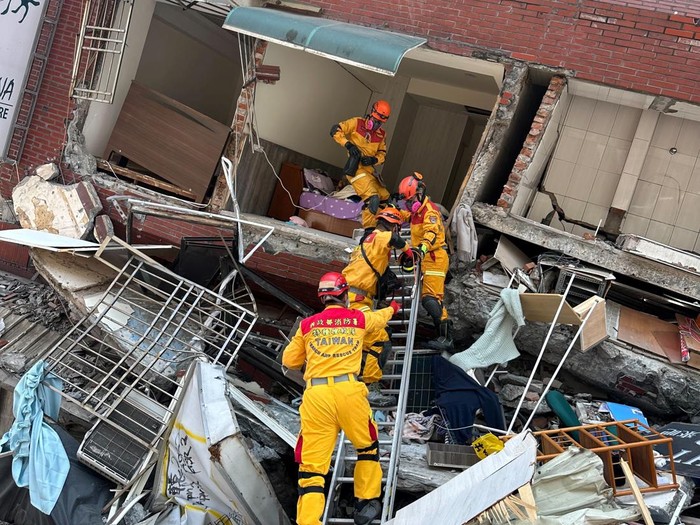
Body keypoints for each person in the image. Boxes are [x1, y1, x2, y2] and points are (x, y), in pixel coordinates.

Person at [282, 272, 400, 525]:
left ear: (323, 298)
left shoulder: (307, 325)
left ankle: (308, 521)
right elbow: (379, 319)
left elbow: (289, 361)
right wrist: (393, 308)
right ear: (345, 296)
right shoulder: (357, 318)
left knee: (312, 467)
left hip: (316, 396)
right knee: (367, 446)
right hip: (349, 391)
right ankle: (366, 503)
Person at [342, 207, 415, 406]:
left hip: (352, 298)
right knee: (380, 339)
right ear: (393, 226)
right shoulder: (381, 236)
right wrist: (409, 251)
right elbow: (395, 240)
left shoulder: (366, 241)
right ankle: (371, 388)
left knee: (365, 341)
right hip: (356, 300)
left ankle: (356, 382)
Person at [396, 172, 453, 352]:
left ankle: (446, 338)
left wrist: (421, 249)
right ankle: (443, 335)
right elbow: (404, 215)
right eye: (408, 201)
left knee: (431, 300)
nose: (410, 204)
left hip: (435, 257)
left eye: (412, 200)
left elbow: (432, 233)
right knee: (429, 299)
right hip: (426, 259)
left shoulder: (430, 212)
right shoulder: (416, 212)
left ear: (420, 193)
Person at [331, 100, 392, 230]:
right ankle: (368, 231)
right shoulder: (357, 122)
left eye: (380, 123)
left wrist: (373, 160)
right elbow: (335, 130)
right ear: (371, 114)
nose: (376, 125)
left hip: (369, 171)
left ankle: (380, 229)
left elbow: (382, 155)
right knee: (373, 198)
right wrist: (348, 144)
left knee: (385, 198)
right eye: (375, 121)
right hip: (356, 169)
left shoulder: (381, 135)